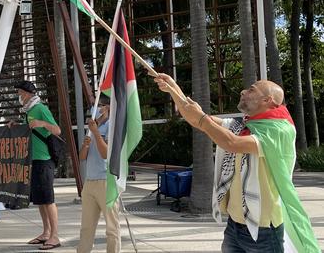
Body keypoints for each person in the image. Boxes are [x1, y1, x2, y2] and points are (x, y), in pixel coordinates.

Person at [153, 73, 319, 252]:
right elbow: (198, 120)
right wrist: (172, 88)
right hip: (235, 226)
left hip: (263, 231)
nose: (243, 91)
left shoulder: (279, 130)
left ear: (267, 100)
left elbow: (232, 143)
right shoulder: (245, 126)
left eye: (251, 90)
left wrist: (202, 118)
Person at [10, 80, 61, 250]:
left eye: (19, 92)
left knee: (48, 199)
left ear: (28, 93)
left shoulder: (40, 108)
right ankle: (46, 232)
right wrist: (18, 126)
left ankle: (55, 236)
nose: (18, 96)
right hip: (34, 159)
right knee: (40, 200)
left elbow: (57, 130)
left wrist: (42, 123)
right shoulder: (29, 110)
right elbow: (31, 129)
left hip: (45, 159)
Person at [77, 94, 120, 253]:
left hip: (106, 182)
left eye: (98, 105)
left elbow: (105, 154)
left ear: (107, 107)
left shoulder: (111, 126)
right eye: (93, 105)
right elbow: (82, 157)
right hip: (89, 182)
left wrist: (95, 133)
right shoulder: (92, 126)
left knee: (111, 227)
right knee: (86, 227)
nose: (94, 109)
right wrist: (86, 145)